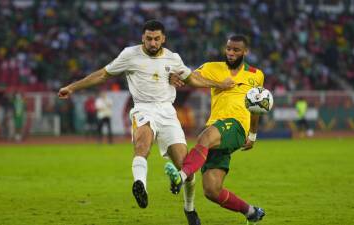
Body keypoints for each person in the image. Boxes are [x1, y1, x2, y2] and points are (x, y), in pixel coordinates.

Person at [58, 20, 232, 225]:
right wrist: (72, 87)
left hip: (167, 111)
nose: (152, 42)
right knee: (142, 144)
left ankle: (190, 209)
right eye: (148, 38)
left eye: (156, 38)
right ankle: (140, 185)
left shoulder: (173, 58)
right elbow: (103, 74)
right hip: (143, 108)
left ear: (163, 39)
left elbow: (192, 79)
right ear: (142, 37)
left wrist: (219, 84)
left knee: (185, 166)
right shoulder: (129, 55)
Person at [165, 35, 266, 224]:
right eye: (228, 49)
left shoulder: (256, 74)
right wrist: (175, 77)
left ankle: (181, 176)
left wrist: (252, 135)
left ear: (245, 52)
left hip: (237, 126)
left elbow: (256, 106)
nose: (231, 53)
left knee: (205, 137)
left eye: (236, 50)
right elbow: (191, 78)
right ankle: (252, 212)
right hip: (217, 127)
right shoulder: (212, 68)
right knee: (212, 190)